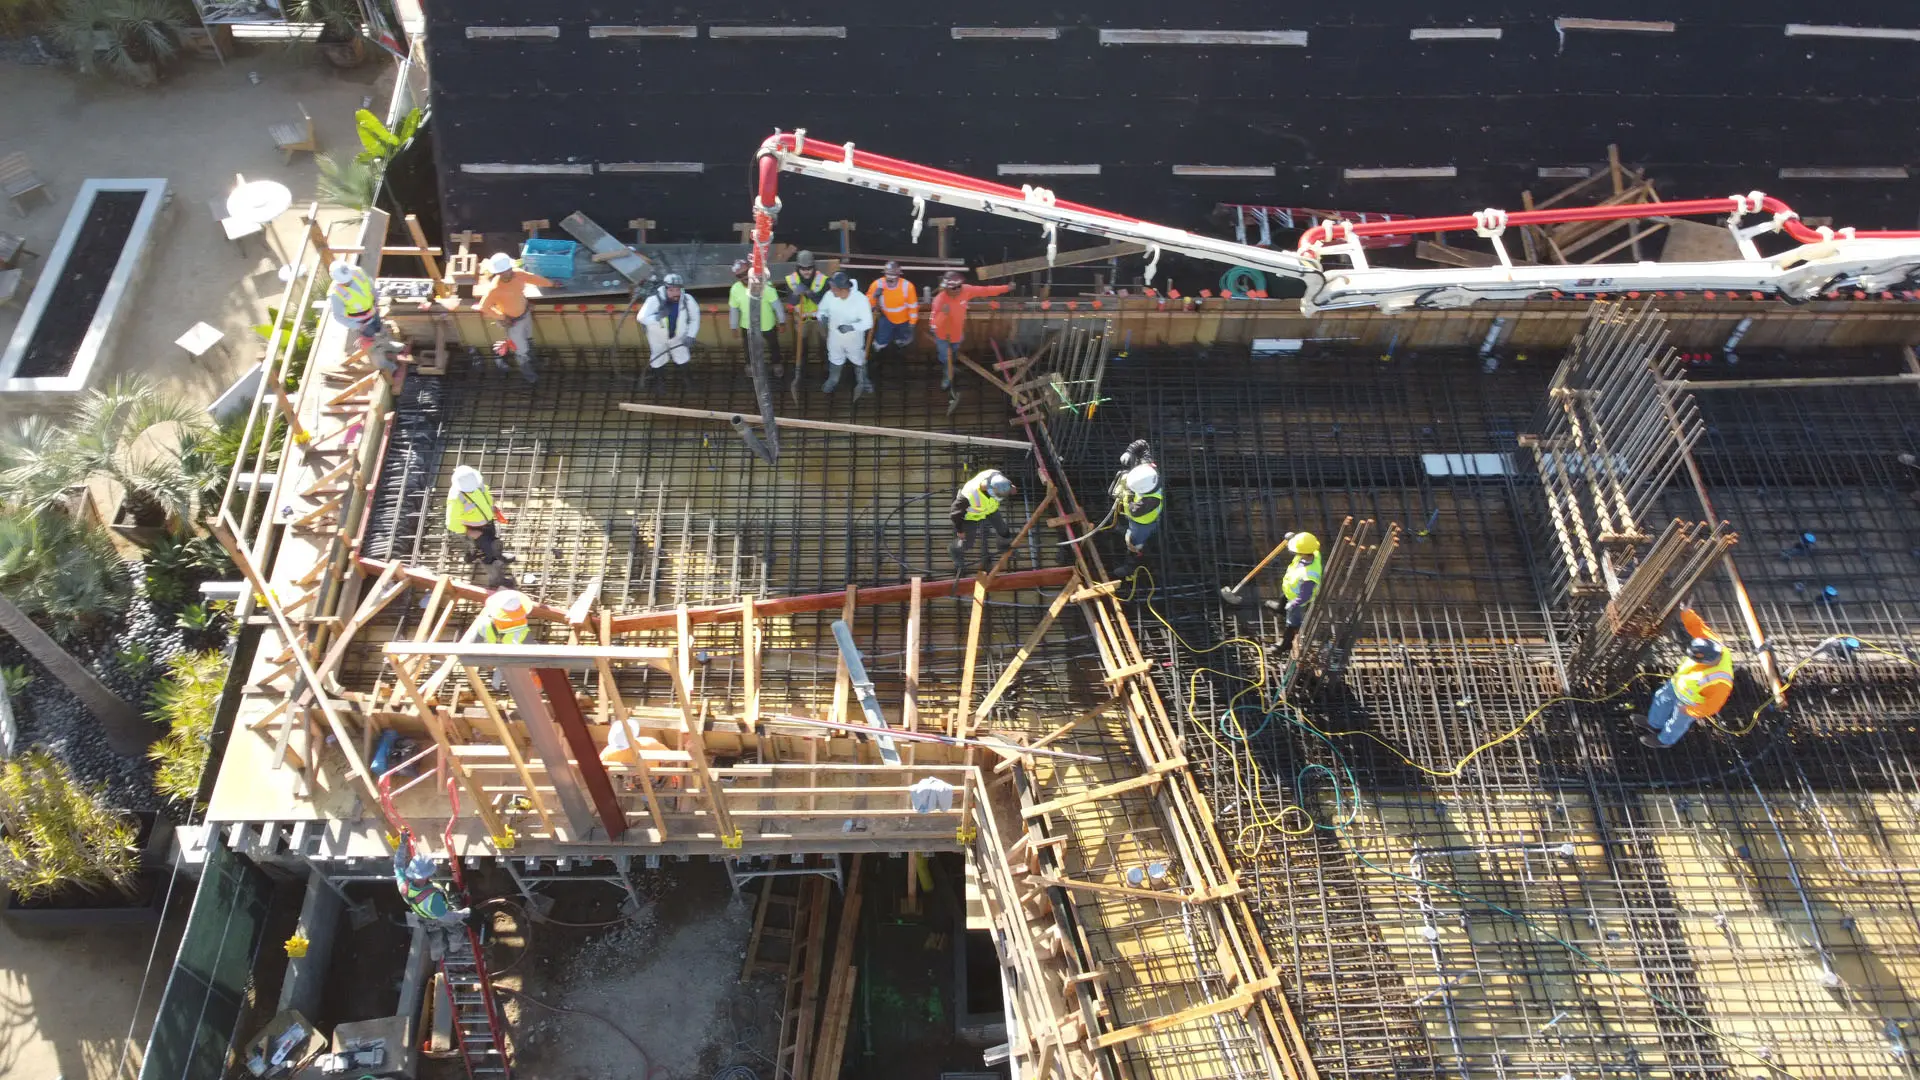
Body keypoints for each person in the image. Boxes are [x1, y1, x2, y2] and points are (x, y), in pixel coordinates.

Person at [1641, 608, 1733, 748]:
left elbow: (1713, 706)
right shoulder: (1713, 642)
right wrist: (1686, 612)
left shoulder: (1721, 682)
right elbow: (1697, 627)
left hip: (1689, 703)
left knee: (1677, 723)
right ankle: (1653, 723)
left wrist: (1690, 711)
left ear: (1707, 661)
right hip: (1676, 684)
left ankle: (1664, 741)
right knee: (1661, 698)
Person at [474, 252, 552, 383]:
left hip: (525, 314)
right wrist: (502, 317)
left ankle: (536, 363)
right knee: (521, 350)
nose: (507, 273)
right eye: (503, 272)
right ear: (498, 273)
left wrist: (551, 284)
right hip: (513, 322)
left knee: (529, 339)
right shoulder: (494, 289)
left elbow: (533, 278)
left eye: (508, 270)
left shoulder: (518, 274)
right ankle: (531, 377)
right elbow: (484, 307)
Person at [392, 829, 469, 961]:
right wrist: (465, 912)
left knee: (435, 938)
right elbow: (448, 918)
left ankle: (437, 956)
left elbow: (398, 865)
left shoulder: (404, 887)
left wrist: (402, 843)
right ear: (428, 874)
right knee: (456, 930)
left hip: (424, 918)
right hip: (438, 917)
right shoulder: (433, 898)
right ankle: (454, 949)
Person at [929, 270, 1011, 389]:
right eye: (954, 288)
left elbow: (985, 290)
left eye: (959, 286)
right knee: (945, 357)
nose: (958, 290)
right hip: (943, 337)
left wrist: (1005, 288)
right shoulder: (939, 300)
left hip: (957, 334)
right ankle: (947, 374)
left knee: (954, 352)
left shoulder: (965, 290)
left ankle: (951, 366)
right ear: (946, 288)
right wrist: (943, 314)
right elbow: (933, 325)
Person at [325, 259, 408, 372]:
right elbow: (338, 316)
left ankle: (388, 345)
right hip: (362, 323)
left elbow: (370, 285)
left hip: (373, 311)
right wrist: (357, 326)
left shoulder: (357, 272)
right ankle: (384, 366)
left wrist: (376, 301)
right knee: (372, 346)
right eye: (345, 282)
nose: (348, 282)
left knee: (381, 330)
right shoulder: (336, 294)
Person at [813, 271, 874, 396]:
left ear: (843, 289)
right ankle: (833, 380)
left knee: (859, 360)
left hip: (854, 340)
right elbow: (821, 310)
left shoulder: (860, 300)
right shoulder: (830, 296)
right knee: (835, 359)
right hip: (835, 338)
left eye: (834, 288)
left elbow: (868, 322)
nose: (831, 290)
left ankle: (863, 381)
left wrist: (851, 327)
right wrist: (822, 317)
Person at [1263, 532, 1321, 654]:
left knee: (1292, 623)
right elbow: (1305, 543)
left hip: (1297, 601)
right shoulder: (1314, 552)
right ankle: (1280, 609)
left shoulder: (1309, 575)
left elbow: (1305, 596)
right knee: (1283, 600)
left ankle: (1284, 645)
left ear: (1302, 552)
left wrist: (1293, 604)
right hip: (1290, 590)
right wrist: (1292, 539)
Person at [949, 469, 1016, 571]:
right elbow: (954, 513)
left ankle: (1003, 546)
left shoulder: (996, 476)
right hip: (971, 516)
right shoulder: (968, 495)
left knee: (1003, 530)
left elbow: (1004, 483)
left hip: (990, 509)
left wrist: (1010, 487)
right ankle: (955, 550)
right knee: (966, 543)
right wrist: (960, 530)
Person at [728, 259, 786, 375]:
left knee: (773, 346)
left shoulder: (766, 285)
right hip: (747, 326)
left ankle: (776, 364)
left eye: (745, 273)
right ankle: (750, 365)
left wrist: (782, 321)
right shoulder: (735, 289)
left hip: (767, 325)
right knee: (748, 348)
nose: (744, 277)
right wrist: (733, 327)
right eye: (740, 275)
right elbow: (733, 309)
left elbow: (777, 306)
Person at [1113, 440, 1164, 569]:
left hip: (1142, 525)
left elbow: (1133, 510)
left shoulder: (1151, 500)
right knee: (1129, 522)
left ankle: (1130, 564)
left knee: (1135, 543)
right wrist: (1130, 452)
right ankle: (1125, 529)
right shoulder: (1149, 468)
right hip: (1139, 517)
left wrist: (1126, 493)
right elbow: (1143, 444)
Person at [445, 465, 508, 565]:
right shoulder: (455, 499)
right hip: (475, 528)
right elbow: (452, 523)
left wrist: (492, 507)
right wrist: (469, 531)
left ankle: (487, 554)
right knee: (487, 547)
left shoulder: (477, 483)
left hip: (488, 521)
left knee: (492, 539)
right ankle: (488, 560)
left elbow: (485, 494)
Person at [639, 273, 699, 372]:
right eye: (671, 290)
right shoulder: (653, 300)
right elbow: (641, 317)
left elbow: (694, 319)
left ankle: (688, 384)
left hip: (678, 338)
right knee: (658, 361)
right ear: (665, 289)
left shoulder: (687, 300)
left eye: (677, 290)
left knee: (682, 359)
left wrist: (691, 335)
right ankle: (660, 384)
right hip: (657, 338)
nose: (675, 293)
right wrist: (657, 317)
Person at [785, 251, 830, 366]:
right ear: (798, 268)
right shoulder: (791, 280)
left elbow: (823, 302)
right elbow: (791, 302)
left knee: (825, 342)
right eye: (803, 268)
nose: (806, 271)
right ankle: (801, 367)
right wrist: (795, 294)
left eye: (809, 268)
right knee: (801, 345)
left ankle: (825, 365)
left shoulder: (823, 280)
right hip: (802, 318)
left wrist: (809, 293)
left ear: (814, 267)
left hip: (819, 317)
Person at [866, 260, 918, 355]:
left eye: (893, 275)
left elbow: (913, 307)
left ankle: (899, 351)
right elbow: (868, 304)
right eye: (888, 275)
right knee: (881, 340)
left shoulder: (908, 286)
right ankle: (877, 354)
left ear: (899, 275)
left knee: (902, 339)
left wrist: (912, 324)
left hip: (903, 319)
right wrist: (874, 296)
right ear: (885, 274)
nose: (890, 279)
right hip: (886, 318)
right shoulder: (877, 285)